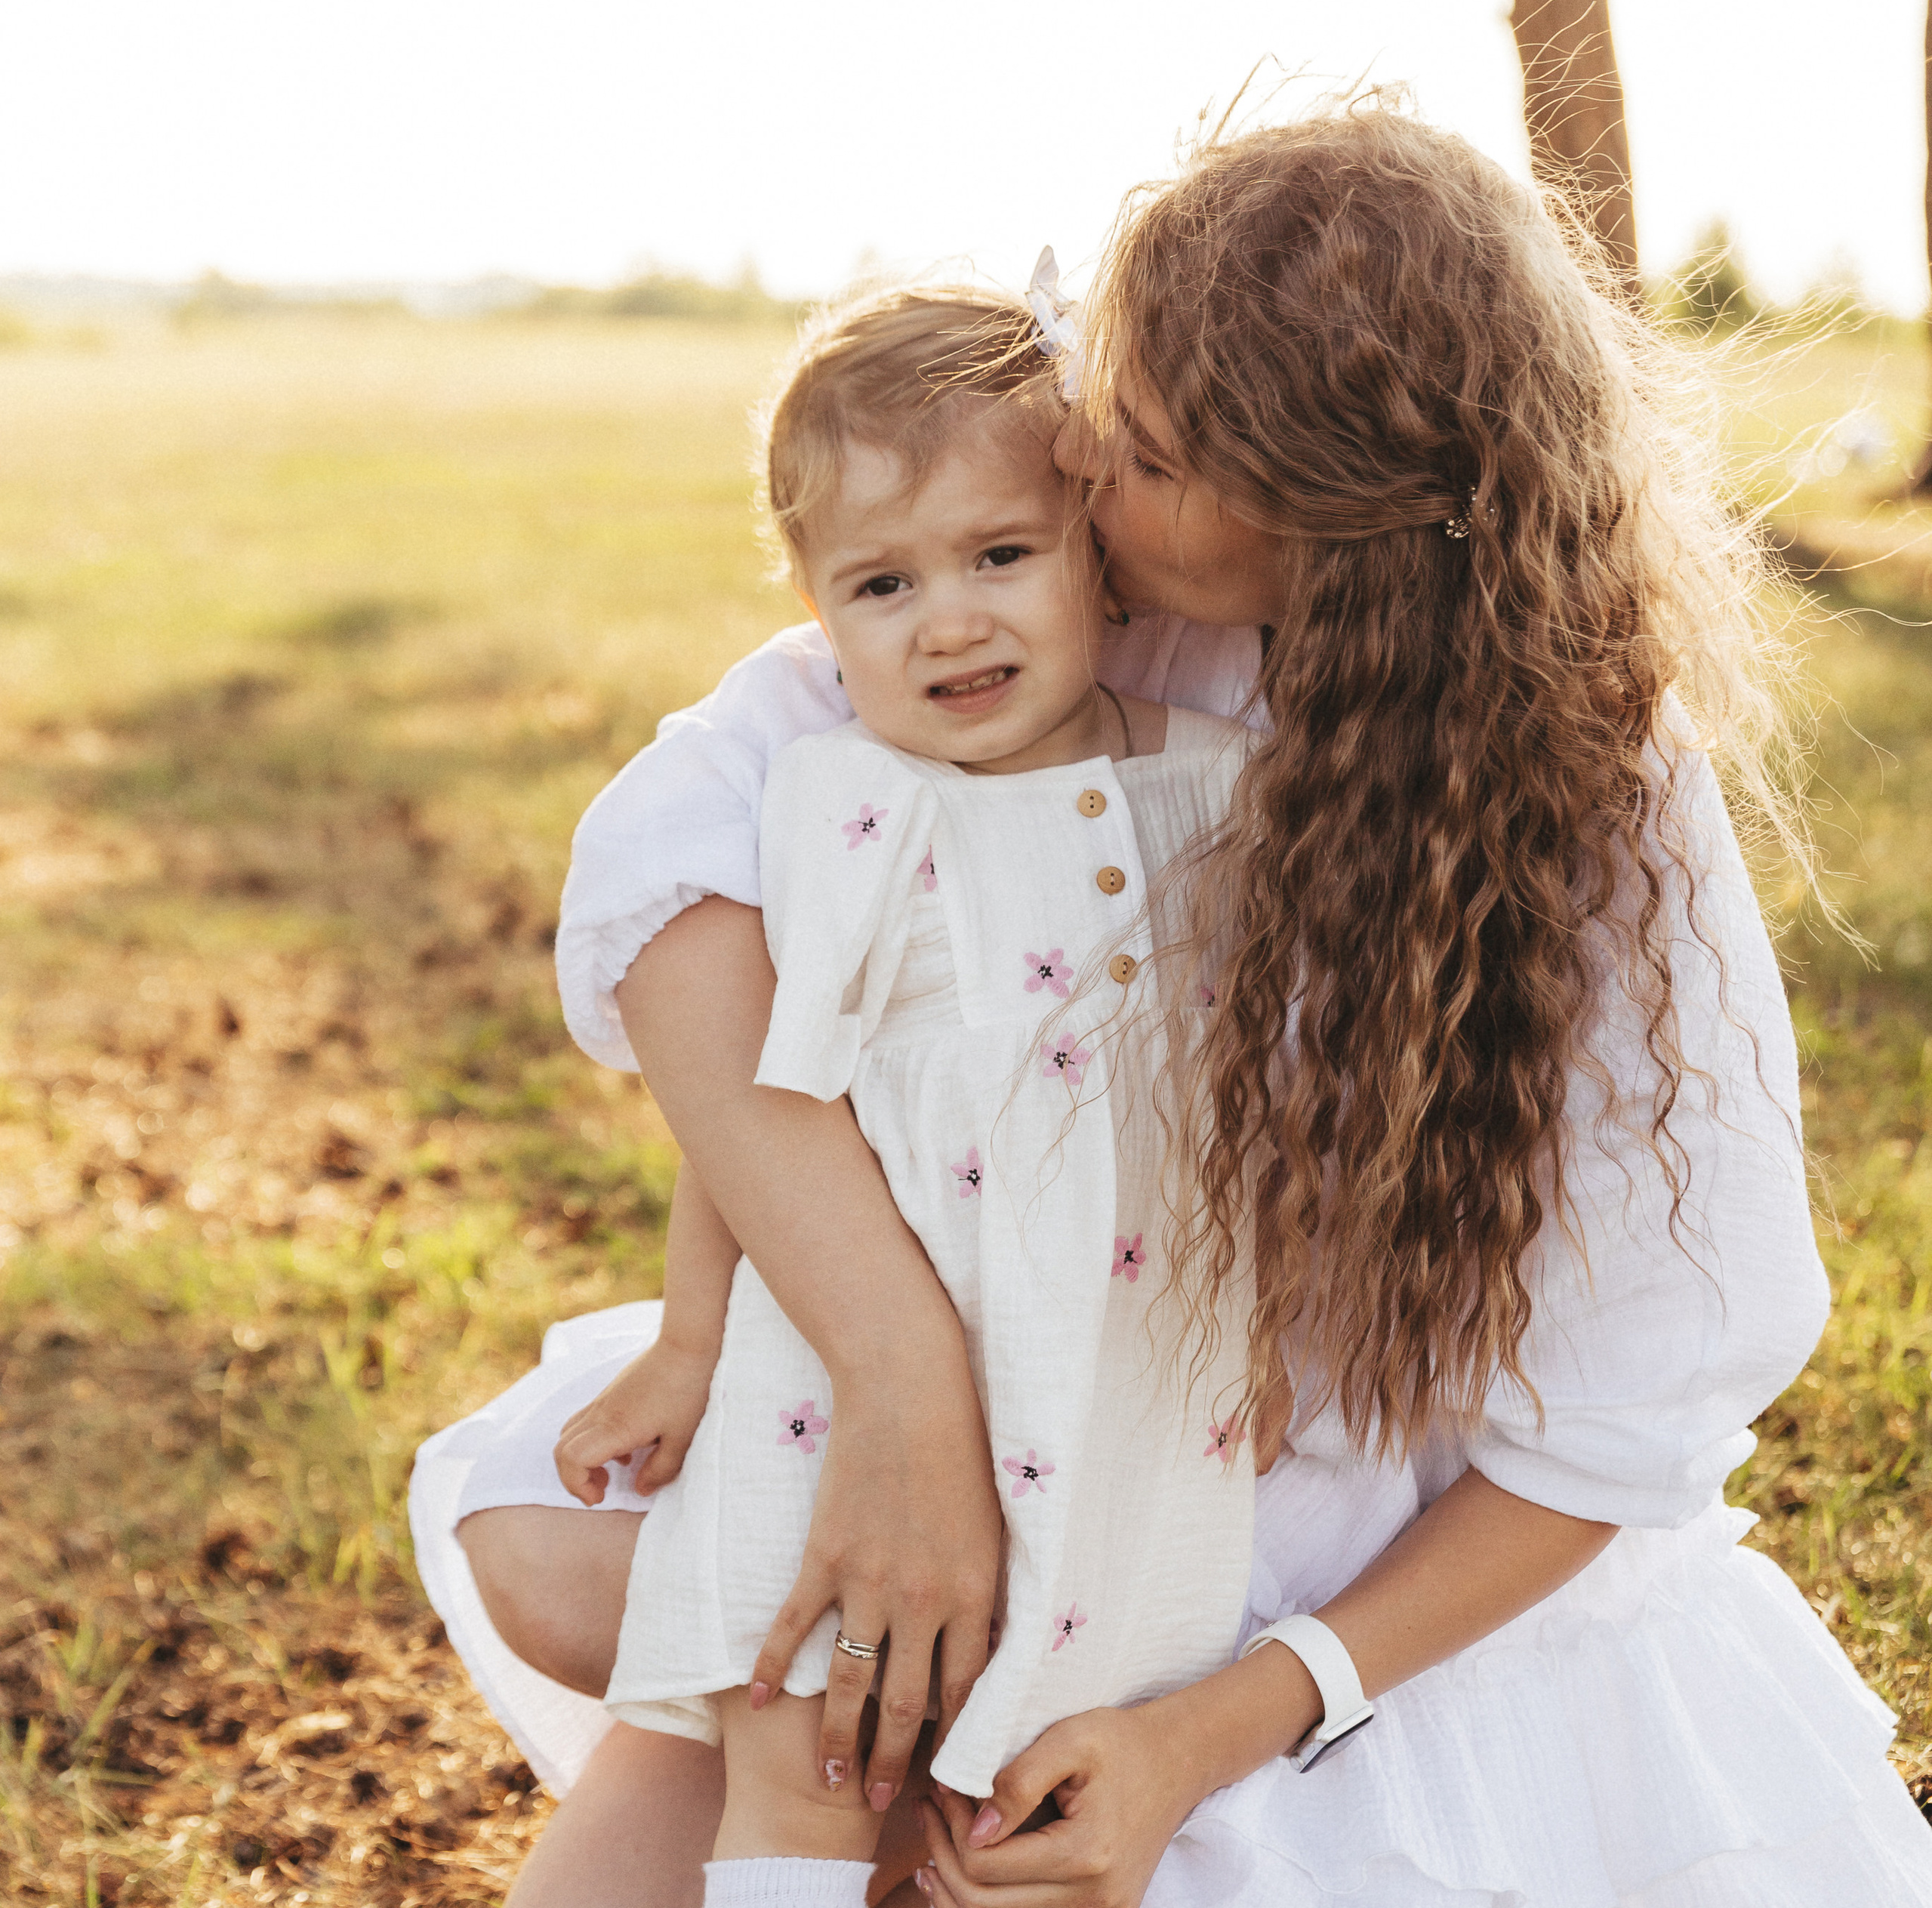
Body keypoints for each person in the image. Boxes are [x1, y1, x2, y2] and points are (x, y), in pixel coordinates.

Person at [411, 100, 1932, 1907]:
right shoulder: (1068, 600)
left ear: (1309, 518)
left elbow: (1617, 1430)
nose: (1070, 448)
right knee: (603, 1572)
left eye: (1130, 444)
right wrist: (903, 1392)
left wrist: (1206, 1725)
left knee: (934, 1718)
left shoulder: (1588, 805)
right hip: (1009, 1375)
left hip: (1312, 1519)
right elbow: (675, 871)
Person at [553, 282, 1258, 1908]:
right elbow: (756, 1106)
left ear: (1094, 550)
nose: (949, 621)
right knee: (808, 1741)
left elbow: (1257, 1101)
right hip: (838, 1381)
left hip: (1117, 1365)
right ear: (811, 611)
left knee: (1027, 1777)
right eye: (882, 584)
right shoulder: (838, 802)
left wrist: (1272, 1319)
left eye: (998, 555)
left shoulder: (1222, 786)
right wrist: (684, 1340)